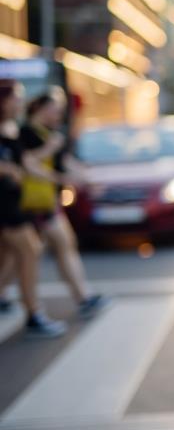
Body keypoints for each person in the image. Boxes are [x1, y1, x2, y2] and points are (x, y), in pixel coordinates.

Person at [18, 90, 107, 316]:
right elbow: (27, 164)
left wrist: (86, 180)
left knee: (34, 252)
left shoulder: (50, 133)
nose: (58, 114)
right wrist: (59, 171)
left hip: (48, 200)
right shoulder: (26, 133)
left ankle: (82, 295)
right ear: (40, 108)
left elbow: (64, 162)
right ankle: (80, 296)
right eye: (54, 109)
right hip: (32, 202)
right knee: (34, 252)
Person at [0, 80, 66, 337]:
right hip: (5, 205)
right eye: (16, 97)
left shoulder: (12, 129)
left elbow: (27, 163)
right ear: (3, 101)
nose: (20, 102)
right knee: (30, 249)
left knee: (7, 256)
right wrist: (7, 169)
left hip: (14, 200)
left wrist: (59, 180)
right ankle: (34, 313)